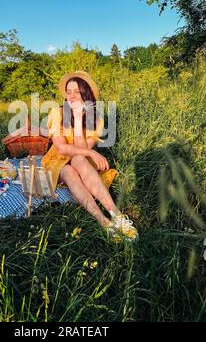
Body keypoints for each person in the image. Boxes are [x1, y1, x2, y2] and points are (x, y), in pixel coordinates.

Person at [41, 70, 138, 242]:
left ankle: (117, 216)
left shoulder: (96, 119)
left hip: (81, 162)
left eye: (76, 92)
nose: (70, 96)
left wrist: (78, 120)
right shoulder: (58, 113)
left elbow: (80, 151)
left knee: (78, 159)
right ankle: (103, 221)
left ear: (86, 94)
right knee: (69, 170)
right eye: (68, 92)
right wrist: (91, 152)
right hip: (57, 162)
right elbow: (62, 149)